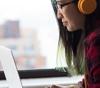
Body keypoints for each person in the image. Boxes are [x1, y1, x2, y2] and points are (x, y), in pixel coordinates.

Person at [50, 0, 100, 88]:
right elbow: (92, 82)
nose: (58, 15)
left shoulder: (96, 43)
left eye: (61, 5)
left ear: (86, 3)